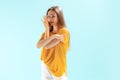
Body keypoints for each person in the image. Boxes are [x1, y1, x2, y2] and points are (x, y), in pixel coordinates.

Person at [36, 6, 70, 80]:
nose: (50, 19)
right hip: (45, 65)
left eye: (53, 16)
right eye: (48, 16)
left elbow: (47, 46)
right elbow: (38, 45)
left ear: (59, 17)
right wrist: (48, 31)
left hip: (58, 67)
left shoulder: (64, 32)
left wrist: (48, 32)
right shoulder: (46, 33)